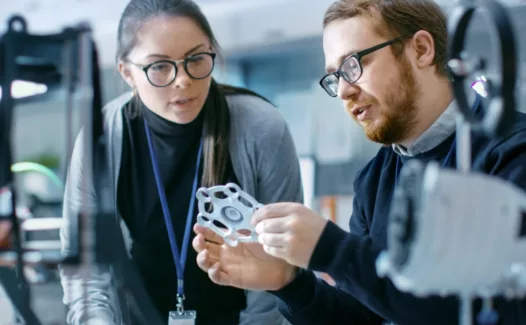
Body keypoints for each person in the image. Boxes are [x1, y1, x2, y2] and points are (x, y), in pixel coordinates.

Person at [193, 0, 526, 324]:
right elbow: (363, 316)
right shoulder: (374, 180)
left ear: (422, 49)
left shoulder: (512, 153)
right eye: (335, 76)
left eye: (353, 65)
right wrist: (289, 282)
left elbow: (486, 310)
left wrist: (334, 251)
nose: (342, 91)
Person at [58, 0, 303, 324]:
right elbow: (86, 267)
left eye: (196, 59)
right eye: (160, 66)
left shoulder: (261, 128)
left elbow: (281, 262)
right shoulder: (102, 137)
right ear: (127, 73)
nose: (183, 80)